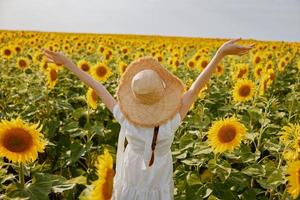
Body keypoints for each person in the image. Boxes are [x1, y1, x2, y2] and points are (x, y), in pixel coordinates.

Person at [42, 38, 254, 200]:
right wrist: (220, 54)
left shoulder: (127, 119)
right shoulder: (171, 123)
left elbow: (97, 86)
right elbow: (196, 88)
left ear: (135, 99)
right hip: (159, 179)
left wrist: (68, 63)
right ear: (162, 95)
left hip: (131, 178)